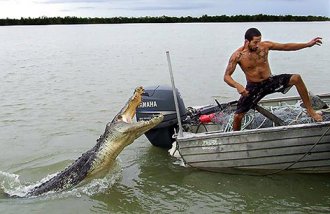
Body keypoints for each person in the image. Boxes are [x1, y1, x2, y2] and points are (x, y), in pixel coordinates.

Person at [224, 27, 323, 131]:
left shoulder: (265, 46)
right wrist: (237, 85)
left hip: (270, 81)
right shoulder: (237, 56)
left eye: (259, 41)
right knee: (238, 116)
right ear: (247, 41)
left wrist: (308, 44)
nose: (257, 45)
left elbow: (286, 46)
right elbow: (226, 76)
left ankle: (311, 111)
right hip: (254, 87)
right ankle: (237, 137)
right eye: (255, 42)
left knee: (296, 78)